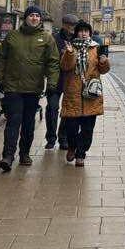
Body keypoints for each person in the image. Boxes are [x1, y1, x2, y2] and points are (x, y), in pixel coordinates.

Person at [0, 5, 59, 172]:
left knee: (28, 123)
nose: (34, 18)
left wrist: (52, 83)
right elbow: (2, 58)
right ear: (25, 18)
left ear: (40, 19)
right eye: (31, 15)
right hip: (13, 87)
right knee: (13, 122)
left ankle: (24, 154)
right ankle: (8, 156)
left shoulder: (46, 38)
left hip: (33, 89)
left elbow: (53, 63)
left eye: (37, 16)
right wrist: (0, 78)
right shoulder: (12, 36)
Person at [60, 21, 111, 167]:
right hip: (73, 93)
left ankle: (81, 154)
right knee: (71, 127)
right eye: (81, 31)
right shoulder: (70, 47)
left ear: (89, 33)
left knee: (88, 129)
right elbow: (65, 67)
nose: (83, 33)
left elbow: (103, 70)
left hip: (91, 95)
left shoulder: (96, 48)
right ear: (76, 33)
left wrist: (104, 61)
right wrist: (69, 54)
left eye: (86, 31)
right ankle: (72, 146)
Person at [45, 14, 79, 150]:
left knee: (67, 111)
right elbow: (48, 59)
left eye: (74, 26)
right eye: (70, 25)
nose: (72, 28)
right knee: (52, 108)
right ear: (64, 25)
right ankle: (51, 138)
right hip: (56, 79)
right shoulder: (54, 39)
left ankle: (63, 137)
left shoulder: (78, 40)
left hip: (71, 80)